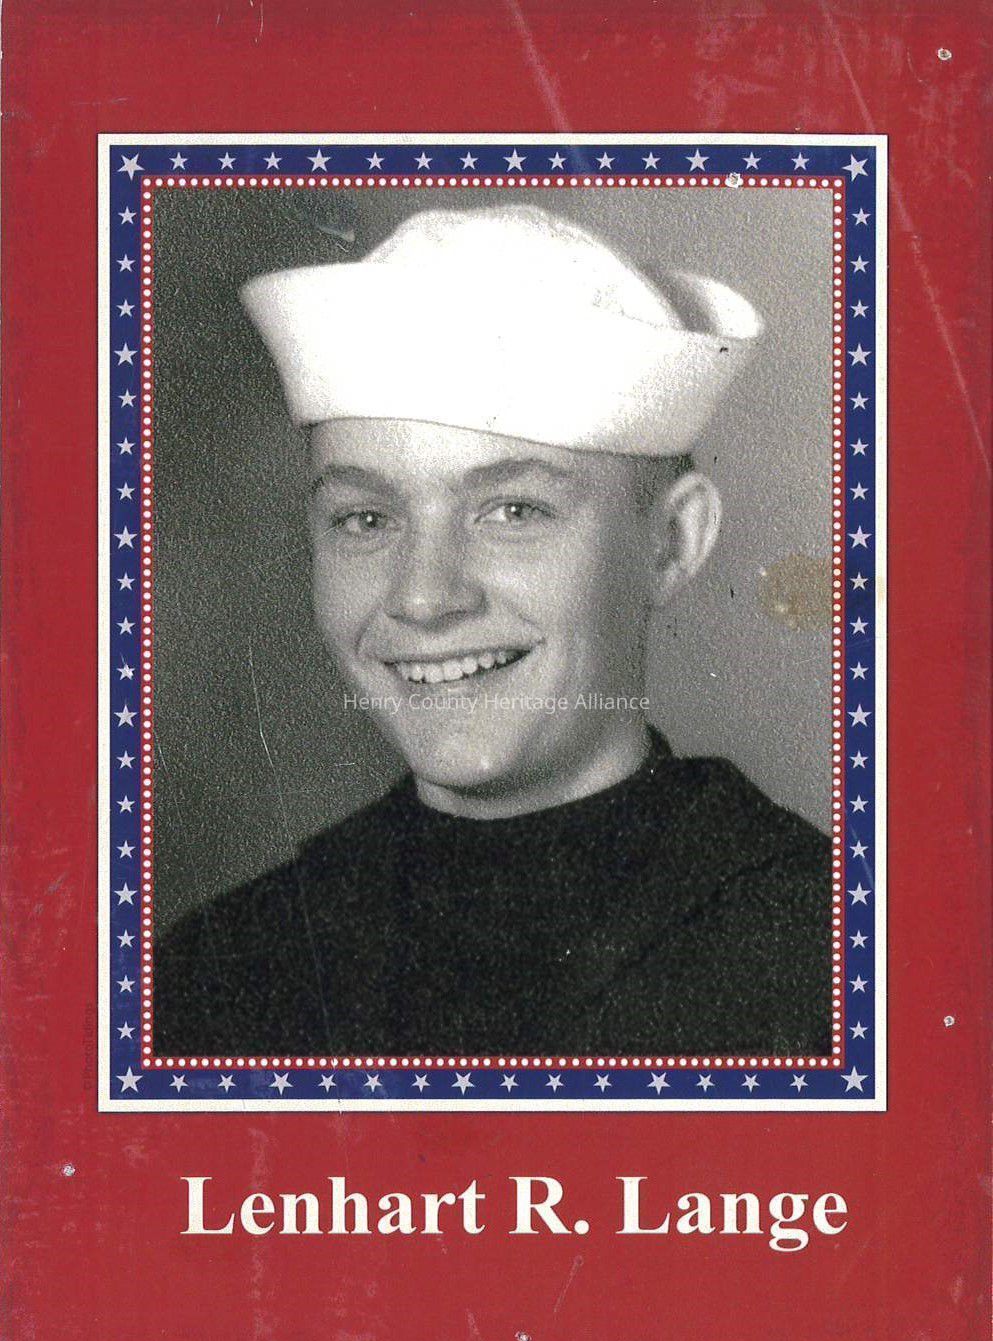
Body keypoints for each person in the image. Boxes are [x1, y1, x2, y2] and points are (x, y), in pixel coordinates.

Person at [153, 204, 831, 1057]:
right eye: (365, 519)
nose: (423, 597)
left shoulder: (836, 960)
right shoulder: (216, 973)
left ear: (671, 541)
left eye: (512, 511)